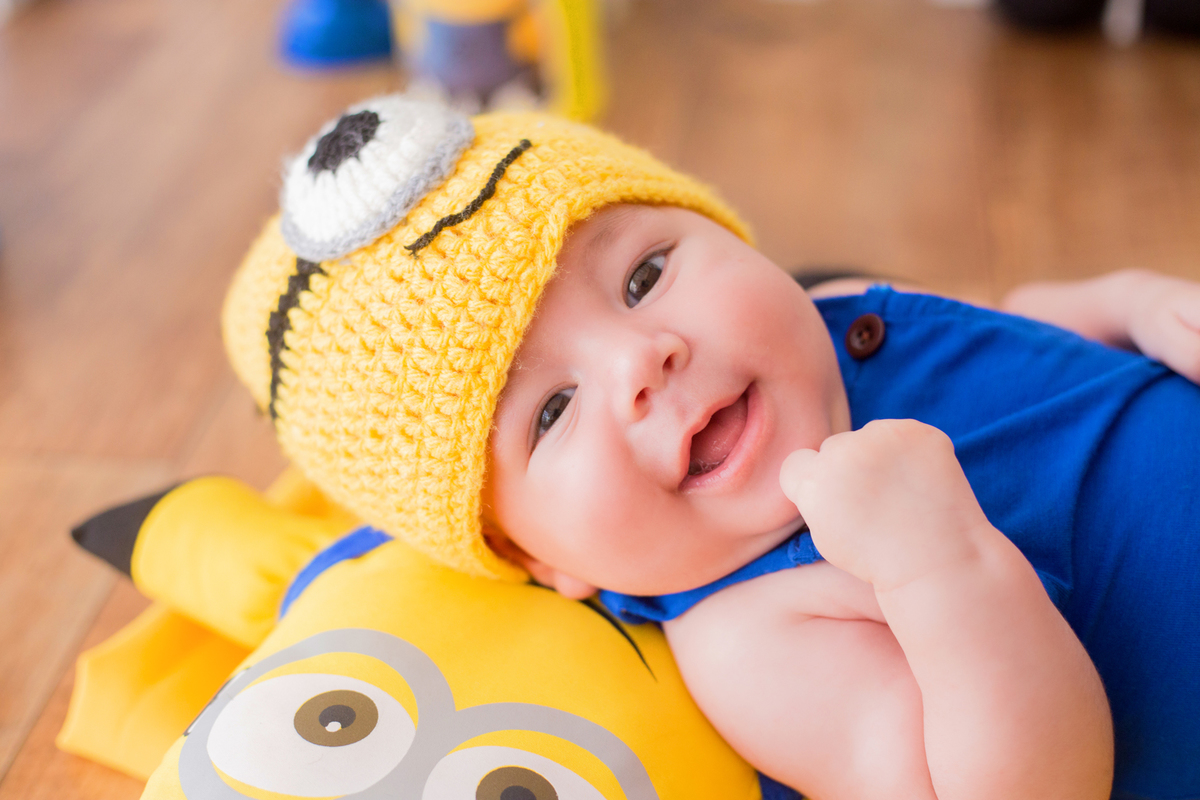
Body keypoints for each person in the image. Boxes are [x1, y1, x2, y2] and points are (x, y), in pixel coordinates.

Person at [222, 98, 1200, 800]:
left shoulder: (828, 316)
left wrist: (1121, 305)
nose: (644, 358)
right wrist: (942, 567)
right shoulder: (754, 633)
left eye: (645, 273)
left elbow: (999, 331)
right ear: (539, 557)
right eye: (552, 412)